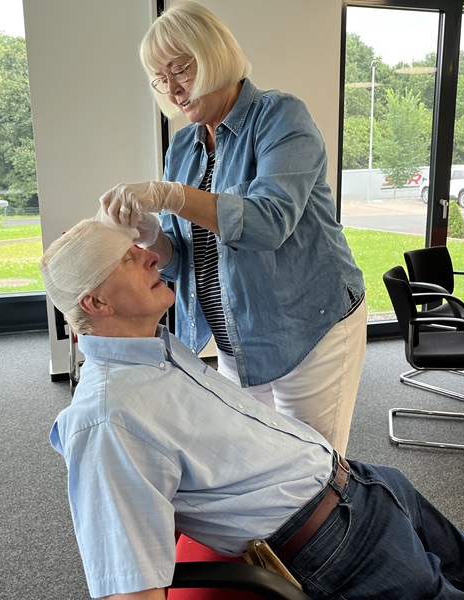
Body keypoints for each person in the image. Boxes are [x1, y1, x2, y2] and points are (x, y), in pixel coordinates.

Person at [41, 218, 464, 600]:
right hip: (336, 544)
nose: (152, 256)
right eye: (129, 259)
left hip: (364, 486)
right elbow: (129, 588)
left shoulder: (159, 352)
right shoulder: (106, 420)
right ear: (96, 303)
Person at [98, 0, 366, 456]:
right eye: (161, 79)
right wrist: (149, 231)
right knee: (249, 461)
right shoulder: (183, 145)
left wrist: (171, 196)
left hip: (307, 324)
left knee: (313, 469)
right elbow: (182, 257)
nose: (174, 90)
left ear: (213, 54)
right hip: (237, 334)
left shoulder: (281, 117)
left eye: (180, 70)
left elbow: (268, 222)